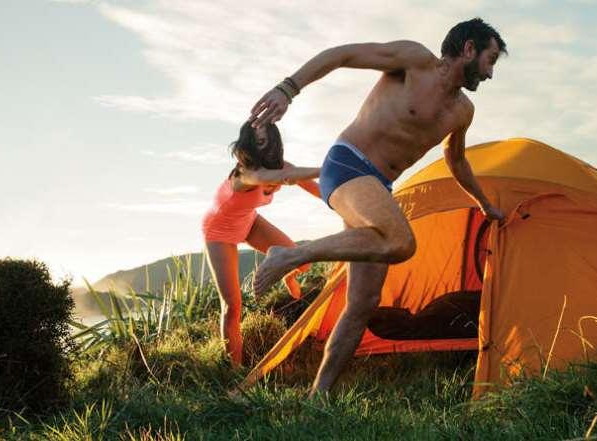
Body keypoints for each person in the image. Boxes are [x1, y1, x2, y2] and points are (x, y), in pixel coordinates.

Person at [248, 18, 507, 396]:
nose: (490, 72)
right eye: (490, 59)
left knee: (363, 303)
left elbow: (457, 162)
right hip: (347, 163)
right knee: (401, 242)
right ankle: (290, 255)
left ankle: (318, 397)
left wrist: (484, 205)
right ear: (469, 49)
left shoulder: (462, 111)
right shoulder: (414, 60)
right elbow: (343, 55)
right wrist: (288, 89)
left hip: (377, 186)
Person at [201, 121, 320, 367]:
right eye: (256, 142)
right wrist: (328, 166)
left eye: (264, 141)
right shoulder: (245, 173)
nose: (260, 147)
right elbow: (285, 177)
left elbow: (318, 190)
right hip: (219, 230)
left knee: (303, 261)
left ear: (274, 142)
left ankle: (286, 274)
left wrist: (345, 200)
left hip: (249, 221)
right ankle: (234, 371)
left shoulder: (281, 168)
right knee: (232, 306)